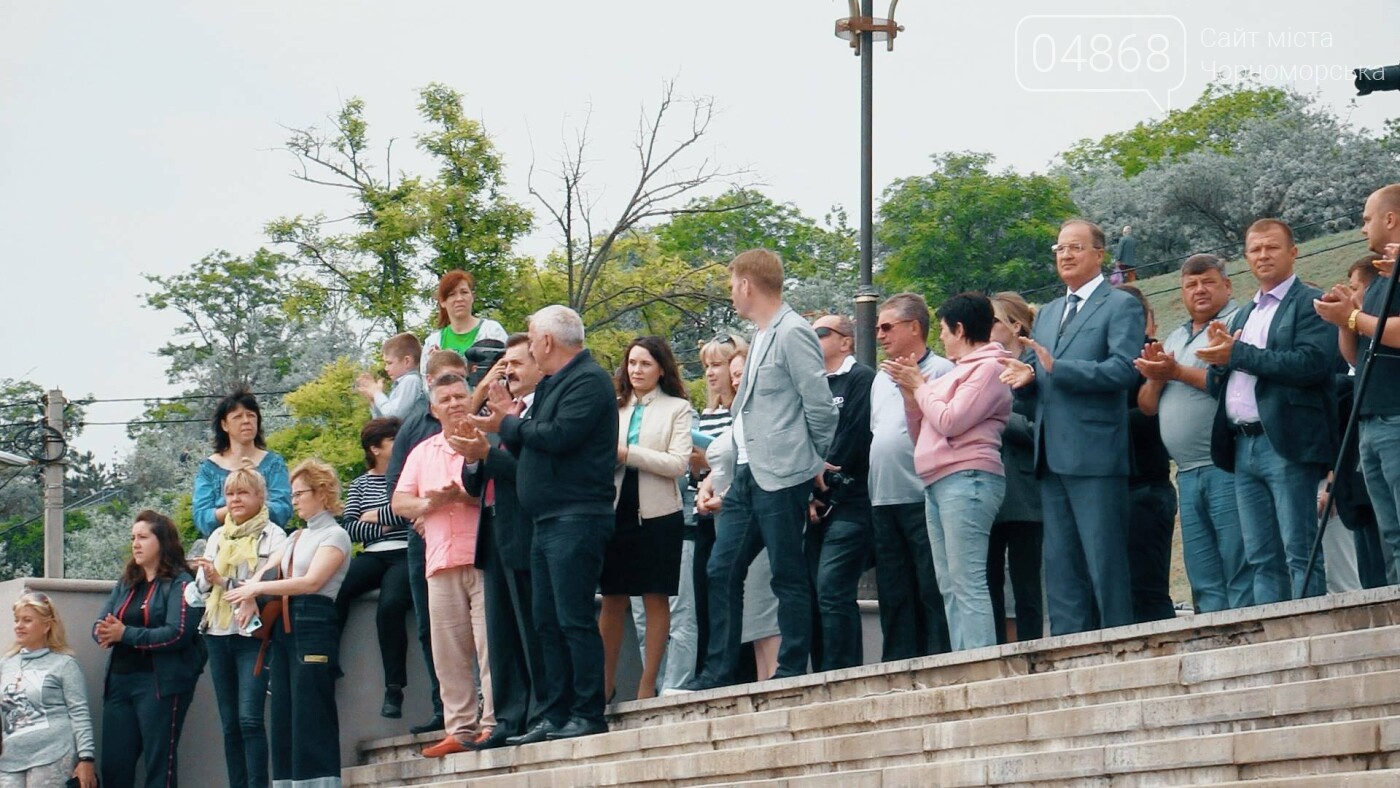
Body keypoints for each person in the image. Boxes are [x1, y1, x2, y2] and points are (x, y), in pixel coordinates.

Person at [684, 249, 838, 690]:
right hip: (747, 477)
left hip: (782, 475)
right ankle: (718, 670)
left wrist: (809, 463)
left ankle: (791, 668)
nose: (731, 293)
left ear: (748, 285)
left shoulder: (792, 332)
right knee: (721, 569)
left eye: (733, 285)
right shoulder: (762, 335)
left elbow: (821, 409)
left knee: (787, 572)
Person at [469, 305, 619, 744]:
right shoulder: (555, 383)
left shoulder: (589, 380)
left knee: (573, 618)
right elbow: (533, 440)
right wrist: (508, 424)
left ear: (548, 342)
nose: (530, 348)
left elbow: (558, 437)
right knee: (546, 622)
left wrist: (508, 424)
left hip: (577, 516)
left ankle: (588, 710)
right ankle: (552, 713)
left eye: (532, 339)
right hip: (546, 519)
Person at [1000, 218, 1144, 635]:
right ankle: (1067, 650)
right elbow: (1039, 378)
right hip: (1050, 455)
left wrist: (1057, 369)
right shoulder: (1046, 313)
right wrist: (1025, 381)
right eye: (1060, 248)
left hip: (1096, 453)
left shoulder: (1121, 305)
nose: (1065, 255)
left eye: (1075, 248)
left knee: (1105, 562)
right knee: (1061, 568)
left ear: (1099, 255)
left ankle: (1120, 644)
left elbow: (1123, 370)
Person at [1200, 218, 1337, 602]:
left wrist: (1237, 354)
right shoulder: (1243, 314)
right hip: (1243, 446)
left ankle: (1313, 632)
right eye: (1255, 249)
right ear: (1245, 257)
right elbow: (1221, 383)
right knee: (1260, 556)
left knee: (1300, 550)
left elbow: (1311, 364)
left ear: (1293, 252)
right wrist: (1219, 364)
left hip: (1286, 443)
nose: (1263, 255)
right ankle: (1275, 638)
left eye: (1272, 247)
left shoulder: (1311, 302)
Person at [887, 293, 1011, 651]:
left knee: (967, 578)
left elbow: (950, 420)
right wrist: (911, 396)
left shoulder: (989, 368)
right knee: (948, 582)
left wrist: (921, 387)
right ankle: (964, 657)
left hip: (968, 479)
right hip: (938, 482)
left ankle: (978, 662)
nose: (940, 337)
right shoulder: (956, 374)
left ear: (959, 328)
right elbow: (922, 432)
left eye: (942, 329)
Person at [1136, 254, 1252, 614]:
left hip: (1227, 465)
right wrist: (1157, 377)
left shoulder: (1238, 324)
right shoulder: (1175, 335)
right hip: (1186, 472)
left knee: (1238, 564)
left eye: (1208, 282)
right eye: (1190, 285)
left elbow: (1232, 386)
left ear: (1227, 285)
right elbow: (1147, 406)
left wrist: (1177, 371)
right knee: (1203, 575)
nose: (1199, 290)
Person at [226, 459, 351, 788]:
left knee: (312, 710)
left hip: (314, 620)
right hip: (284, 624)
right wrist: (251, 593)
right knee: (283, 711)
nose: (293, 500)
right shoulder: (295, 537)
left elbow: (311, 582)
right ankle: (286, 783)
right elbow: (264, 570)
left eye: (300, 493)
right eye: (293, 494)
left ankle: (320, 782)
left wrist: (258, 588)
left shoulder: (336, 535)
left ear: (322, 493)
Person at [392, 374, 495, 757]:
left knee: (489, 646)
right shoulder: (422, 452)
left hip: (481, 556)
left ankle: (493, 723)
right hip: (439, 560)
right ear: (433, 410)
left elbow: (495, 492)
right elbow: (400, 500)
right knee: (448, 651)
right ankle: (459, 727)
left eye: (459, 396)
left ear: (470, 399)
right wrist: (428, 506)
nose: (453, 403)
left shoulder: (484, 442)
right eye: (445, 399)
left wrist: (464, 498)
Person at [459, 333, 547, 747]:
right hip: (492, 528)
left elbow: (529, 469)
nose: (508, 371)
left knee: (533, 626)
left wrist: (488, 454)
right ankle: (509, 717)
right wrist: (476, 456)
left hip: (527, 528)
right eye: (504, 364)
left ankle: (539, 712)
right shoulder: (496, 414)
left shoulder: (537, 413)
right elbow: (472, 480)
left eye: (514, 363)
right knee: (501, 631)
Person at [381, 349, 470, 735]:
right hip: (426, 543)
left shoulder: (479, 418)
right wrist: (422, 515)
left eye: (459, 381)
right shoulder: (413, 427)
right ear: (429, 383)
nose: (452, 393)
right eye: (444, 383)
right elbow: (395, 486)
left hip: (472, 537)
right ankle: (443, 706)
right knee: (431, 627)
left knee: (482, 629)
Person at [1315, 184, 1400, 586]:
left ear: (1391, 219)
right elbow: (1356, 356)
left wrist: (1352, 318)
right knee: (1391, 533)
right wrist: (1344, 317)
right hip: (1371, 420)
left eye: (1367, 218)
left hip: (1397, 417)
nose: (1362, 227)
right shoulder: (1382, 274)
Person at [599, 337, 692, 701]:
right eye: (632, 363)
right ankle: (604, 686)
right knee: (612, 597)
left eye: (645, 364)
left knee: (656, 597)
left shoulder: (677, 408)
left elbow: (677, 463)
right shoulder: (614, 408)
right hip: (615, 508)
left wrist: (628, 453)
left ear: (661, 369)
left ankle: (646, 685)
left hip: (659, 513)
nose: (636, 371)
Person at [185, 468, 288, 788]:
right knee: (230, 724)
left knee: (249, 719)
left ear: (260, 496)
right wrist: (204, 575)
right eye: (230, 494)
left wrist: (222, 580)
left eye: (243, 493)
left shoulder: (275, 535)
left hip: (253, 636)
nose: (235, 500)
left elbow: (272, 585)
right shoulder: (217, 536)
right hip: (217, 633)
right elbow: (200, 592)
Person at [868, 293, 954, 659]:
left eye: (887, 327)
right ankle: (895, 664)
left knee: (930, 586)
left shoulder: (943, 371)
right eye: (876, 328)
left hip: (924, 495)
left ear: (914, 327)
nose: (879, 335)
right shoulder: (878, 380)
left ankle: (937, 659)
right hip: (883, 499)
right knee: (893, 591)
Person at [93, 511, 204, 788]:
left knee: (159, 767)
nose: (136, 544)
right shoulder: (128, 581)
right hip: (120, 683)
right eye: (133, 538)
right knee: (114, 766)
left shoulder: (181, 583)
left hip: (159, 685)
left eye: (143, 537)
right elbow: (102, 621)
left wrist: (125, 634)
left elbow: (177, 633)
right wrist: (102, 632)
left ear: (162, 542)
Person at [679, 335, 748, 687]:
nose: (710, 373)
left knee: (728, 585)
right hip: (703, 508)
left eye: (718, 365)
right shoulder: (706, 414)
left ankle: (732, 668)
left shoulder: (743, 414)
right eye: (706, 365)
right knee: (704, 590)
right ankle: (708, 666)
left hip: (735, 507)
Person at [805, 314, 874, 671]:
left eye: (820, 332)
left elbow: (854, 436)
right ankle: (821, 675)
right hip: (810, 506)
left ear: (846, 341)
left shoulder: (861, 378)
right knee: (815, 595)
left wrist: (821, 484)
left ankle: (843, 674)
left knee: (833, 588)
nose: (812, 338)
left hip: (850, 501)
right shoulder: (809, 384)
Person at [334, 418, 414, 720]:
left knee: (391, 606)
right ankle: (330, 661)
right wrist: (386, 523)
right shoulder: (360, 483)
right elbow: (351, 528)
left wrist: (377, 516)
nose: (401, 444)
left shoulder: (409, 476)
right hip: (372, 555)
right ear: (375, 448)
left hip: (405, 554)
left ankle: (394, 689)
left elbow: (410, 513)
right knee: (335, 587)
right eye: (394, 440)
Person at [1117, 285, 1178, 623]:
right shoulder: (1109, 359)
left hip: (1146, 487)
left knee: (1148, 589)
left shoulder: (1152, 359)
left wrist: (1095, 427)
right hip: (1117, 489)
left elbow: (1150, 416)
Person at [988, 292, 1043, 642]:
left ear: (1015, 325)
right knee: (988, 580)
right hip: (987, 489)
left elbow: (1043, 427)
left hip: (1025, 492)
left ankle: (1032, 649)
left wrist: (997, 414)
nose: (986, 327)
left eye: (993, 320)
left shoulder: (1037, 368)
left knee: (1026, 582)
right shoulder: (980, 366)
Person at [1, 592, 96, 788]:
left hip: (52, 754)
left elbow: (79, 713)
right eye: (17, 620)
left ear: (46, 626)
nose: (18, 626)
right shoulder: (5, 664)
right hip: (10, 759)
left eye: (27, 620)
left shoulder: (65, 664)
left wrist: (86, 759)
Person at [192, 389, 293, 537]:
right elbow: (202, 518)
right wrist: (239, 507)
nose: (246, 421)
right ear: (224, 425)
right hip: (222, 545)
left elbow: (282, 510)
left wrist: (256, 485)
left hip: (266, 542)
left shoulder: (273, 464)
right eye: (237, 417)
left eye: (251, 415)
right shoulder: (209, 468)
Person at [420, 270, 509, 375]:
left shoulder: (492, 331)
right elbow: (427, 384)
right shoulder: (433, 342)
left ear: (472, 297)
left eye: (464, 292)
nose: (459, 299)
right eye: (452, 294)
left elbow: (507, 368)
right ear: (442, 302)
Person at [357, 333, 427, 421]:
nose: (386, 368)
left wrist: (377, 393)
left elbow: (394, 416)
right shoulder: (401, 384)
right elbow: (383, 423)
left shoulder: (411, 381)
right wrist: (374, 400)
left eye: (389, 363)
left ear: (407, 361)